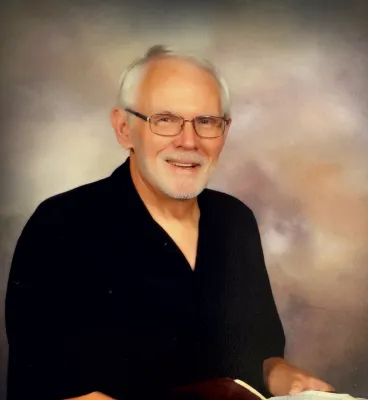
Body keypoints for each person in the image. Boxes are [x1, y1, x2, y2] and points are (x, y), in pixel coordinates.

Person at [5, 45, 335, 400]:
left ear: (225, 131)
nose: (188, 141)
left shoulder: (234, 221)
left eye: (206, 121)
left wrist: (283, 375)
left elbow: (258, 353)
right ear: (124, 129)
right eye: (165, 119)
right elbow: (48, 386)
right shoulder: (60, 228)